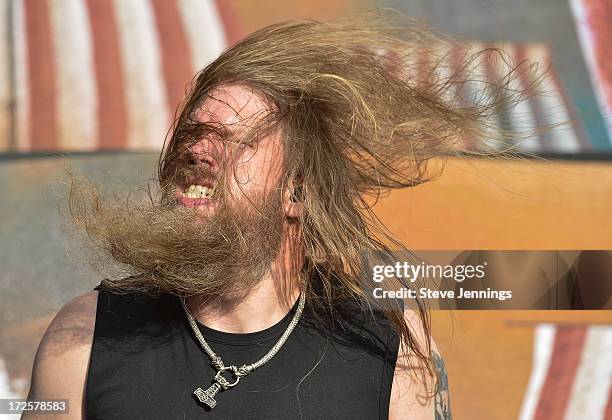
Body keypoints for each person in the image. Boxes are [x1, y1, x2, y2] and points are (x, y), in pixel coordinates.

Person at [24, 11, 526, 419]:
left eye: (230, 139)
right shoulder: (86, 332)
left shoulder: (391, 345)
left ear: (298, 191)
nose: (197, 151)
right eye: (191, 134)